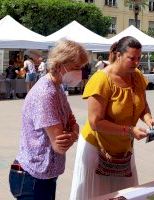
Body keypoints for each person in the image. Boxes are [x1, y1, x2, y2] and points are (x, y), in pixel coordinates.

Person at [70, 36, 154, 199]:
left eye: (139, 58)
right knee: (99, 195)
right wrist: (130, 130)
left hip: (123, 149)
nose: (136, 62)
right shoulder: (101, 79)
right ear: (118, 55)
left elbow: (142, 105)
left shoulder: (137, 76)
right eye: (131, 58)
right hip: (96, 148)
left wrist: (148, 119)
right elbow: (95, 122)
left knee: (125, 195)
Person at [9, 39, 89, 200]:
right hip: (33, 177)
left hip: (42, 174)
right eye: (76, 68)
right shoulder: (46, 94)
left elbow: (72, 120)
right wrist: (73, 133)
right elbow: (60, 146)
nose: (79, 72)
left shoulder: (57, 86)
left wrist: (71, 131)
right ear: (59, 65)